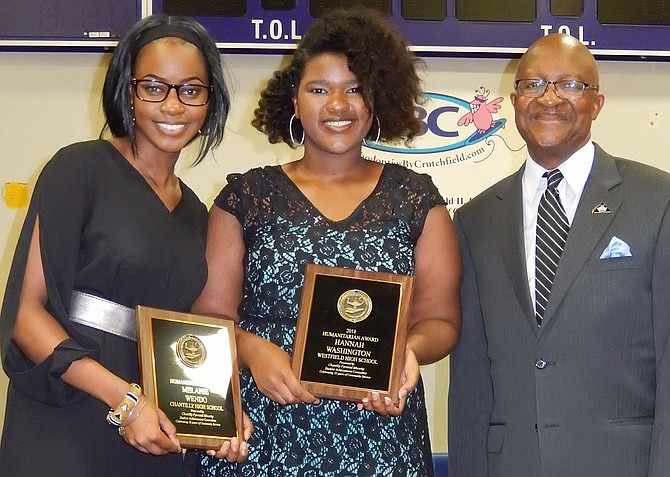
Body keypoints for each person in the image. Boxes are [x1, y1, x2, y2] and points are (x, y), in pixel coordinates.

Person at [192, 8, 461, 477]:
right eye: (319, 89)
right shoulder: (246, 197)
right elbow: (210, 317)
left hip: (379, 433)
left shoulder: (416, 199)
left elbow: (440, 320)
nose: (337, 104)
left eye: (354, 89)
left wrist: (407, 353)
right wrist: (254, 351)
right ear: (293, 103)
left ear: (375, 103)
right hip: (266, 429)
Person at [0, 13, 249, 476]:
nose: (172, 105)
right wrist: (124, 400)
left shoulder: (199, 214)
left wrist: (219, 415)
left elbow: (193, 335)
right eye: (153, 86)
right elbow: (23, 314)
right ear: (127, 93)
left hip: (159, 426)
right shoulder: (78, 170)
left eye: (191, 90)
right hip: (70, 415)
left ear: (209, 102)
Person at [448, 33, 670, 477]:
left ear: (598, 103)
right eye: (533, 84)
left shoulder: (656, 200)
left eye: (569, 85)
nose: (549, 98)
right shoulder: (475, 221)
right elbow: (471, 378)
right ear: (514, 101)